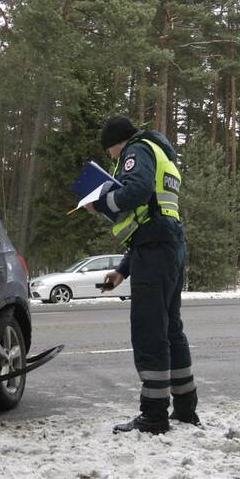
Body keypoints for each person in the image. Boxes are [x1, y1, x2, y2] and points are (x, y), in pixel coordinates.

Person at [84, 116, 198, 434]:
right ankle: (186, 408)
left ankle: (154, 415)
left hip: (157, 249)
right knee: (171, 329)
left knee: (151, 332)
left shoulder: (137, 150)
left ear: (117, 143)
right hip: (167, 246)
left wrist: (100, 202)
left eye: (111, 152)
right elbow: (154, 218)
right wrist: (122, 271)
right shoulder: (161, 155)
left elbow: (136, 191)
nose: (113, 159)